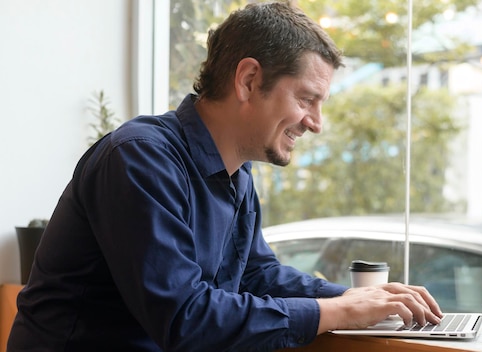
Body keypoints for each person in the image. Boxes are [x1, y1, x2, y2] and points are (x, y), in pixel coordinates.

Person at [8, 2, 443, 351]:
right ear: (249, 80)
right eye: (308, 99)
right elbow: (184, 319)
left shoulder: (236, 174)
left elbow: (256, 274)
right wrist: (338, 313)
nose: (316, 123)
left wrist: (352, 299)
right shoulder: (140, 158)